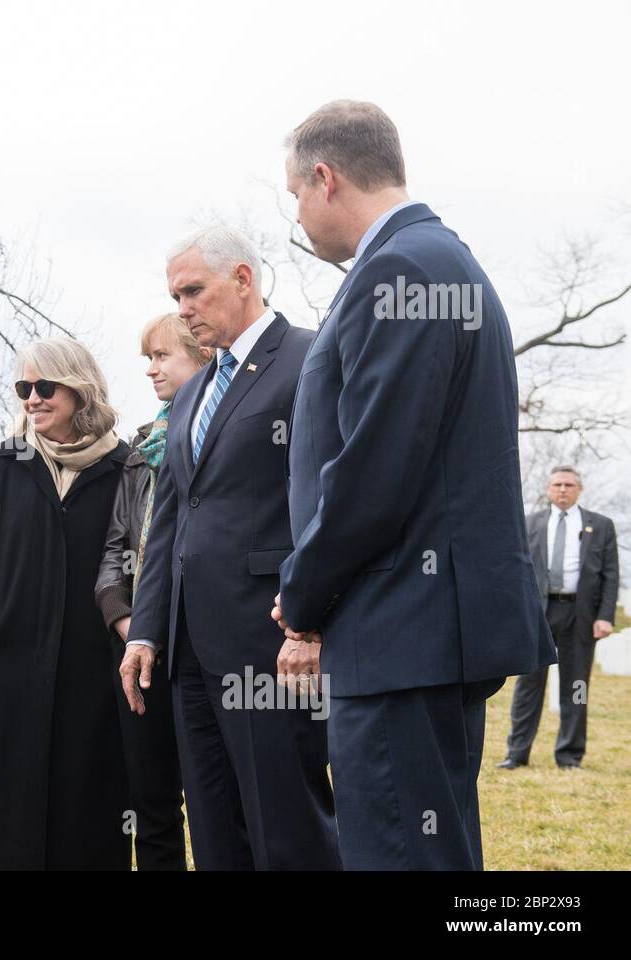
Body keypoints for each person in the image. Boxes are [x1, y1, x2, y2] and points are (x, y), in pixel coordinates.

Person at [272, 101, 555, 869]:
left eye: (295, 194)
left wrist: (302, 596)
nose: (297, 217)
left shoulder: (401, 269)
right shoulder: (436, 258)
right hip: (423, 632)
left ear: (325, 178)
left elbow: (374, 474)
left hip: (402, 631)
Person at [121, 228, 340, 870]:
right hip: (191, 651)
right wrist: (147, 631)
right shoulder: (191, 392)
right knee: (214, 832)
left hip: (268, 642)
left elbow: (329, 503)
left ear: (242, 279)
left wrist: (311, 620)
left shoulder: (309, 360)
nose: (182, 308)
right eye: (174, 295)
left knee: (286, 828)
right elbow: (170, 520)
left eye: (193, 291)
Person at [0, 337, 131, 870]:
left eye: (46, 387)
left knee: (84, 810)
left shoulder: (124, 469)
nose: (33, 399)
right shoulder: (3, 464)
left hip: (90, 675)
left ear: (79, 388)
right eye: (25, 388)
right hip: (3, 674)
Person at [94, 312, 206, 870]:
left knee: (217, 800)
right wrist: (130, 625)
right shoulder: (140, 451)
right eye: (146, 358)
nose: (150, 369)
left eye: (161, 356)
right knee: (152, 801)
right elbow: (114, 551)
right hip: (139, 649)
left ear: (201, 356)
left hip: (203, 641)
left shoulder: (221, 441)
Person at [500, 466, 619, 769]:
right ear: (548, 488)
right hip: (538, 613)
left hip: (580, 614)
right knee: (528, 684)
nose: (563, 489)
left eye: (568, 484)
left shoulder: (601, 526)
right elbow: (516, 571)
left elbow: (610, 575)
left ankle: (569, 756)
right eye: (557, 484)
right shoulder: (530, 524)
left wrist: (604, 616)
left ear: (579, 489)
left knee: (576, 686)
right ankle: (516, 753)